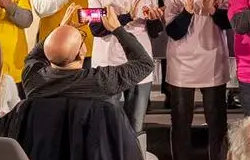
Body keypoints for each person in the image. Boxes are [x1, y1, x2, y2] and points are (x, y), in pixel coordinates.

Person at [159, 0, 229, 160]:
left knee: (217, 122)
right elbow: (174, 32)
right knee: (181, 122)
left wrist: (213, 11)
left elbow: (228, 23)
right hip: (182, 63)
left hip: (213, 59)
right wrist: (188, 12)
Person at [87, 0, 162, 133]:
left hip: (139, 65)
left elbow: (154, 32)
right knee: (107, 125)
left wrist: (155, 20)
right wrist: (128, 16)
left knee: (135, 126)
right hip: (108, 65)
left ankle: (135, 154)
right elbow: (96, 28)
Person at [20, 15, 155, 106]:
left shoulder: (32, 79)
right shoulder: (100, 81)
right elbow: (145, 64)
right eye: (82, 37)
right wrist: (117, 29)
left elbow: (33, 57)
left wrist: (61, 29)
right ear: (81, 53)